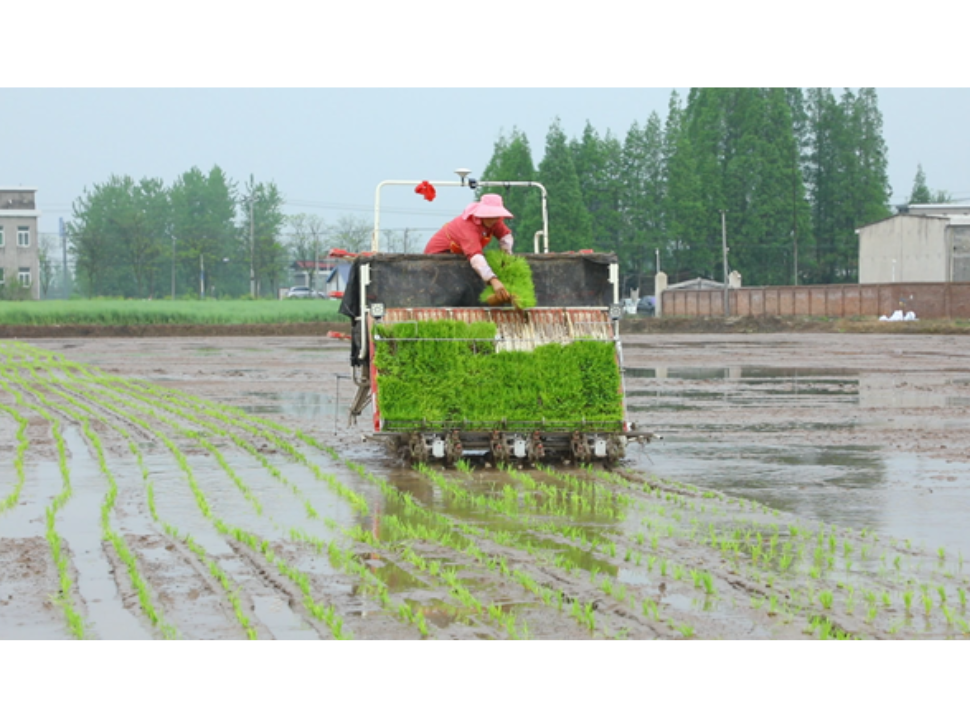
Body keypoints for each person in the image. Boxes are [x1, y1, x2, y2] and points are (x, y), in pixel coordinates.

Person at [424, 194, 515, 304]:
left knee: (474, 288)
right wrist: (493, 280)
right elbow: (475, 256)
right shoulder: (468, 226)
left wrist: (506, 258)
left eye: (496, 216)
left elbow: (505, 236)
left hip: (461, 259)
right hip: (438, 261)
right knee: (456, 292)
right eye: (490, 215)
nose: (493, 219)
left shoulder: (495, 221)